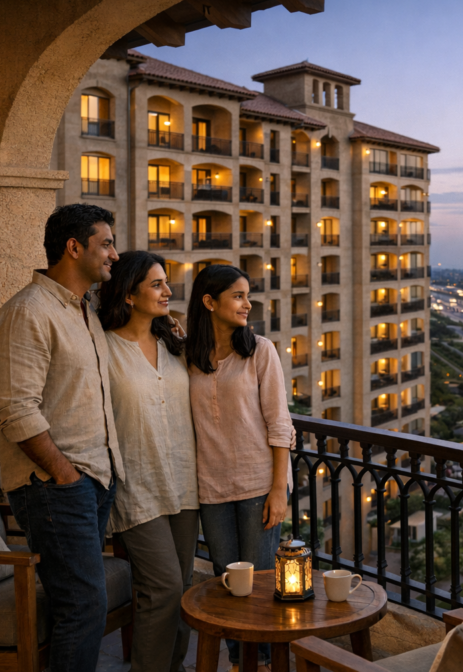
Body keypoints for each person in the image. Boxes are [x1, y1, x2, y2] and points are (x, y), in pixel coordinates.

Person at [0, 203, 123, 672]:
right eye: (106, 243)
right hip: (56, 486)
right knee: (82, 609)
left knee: (81, 605)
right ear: (74, 247)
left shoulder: (84, 313)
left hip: (90, 481)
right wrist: (66, 476)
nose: (114, 254)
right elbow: (15, 409)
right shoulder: (27, 312)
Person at [186, 265, 293, 671]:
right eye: (237, 296)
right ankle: (237, 662)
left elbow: (280, 422)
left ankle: (261, 663)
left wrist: (278, 490)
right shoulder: (189, 356)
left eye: (248, 295)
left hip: (257, 486)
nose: (248, 304)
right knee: (225, 580)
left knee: (260, 583)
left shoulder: (260, 350)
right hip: (210, 487)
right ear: (210, 302)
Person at [97, 251, 199, 672]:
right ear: (129, 292)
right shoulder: (102, 347)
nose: (168, 291)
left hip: (185, 482)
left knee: (184, 590)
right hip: (137, 485)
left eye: (166, 282)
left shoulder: (174, 343)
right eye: (156, 284)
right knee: (163, 587)